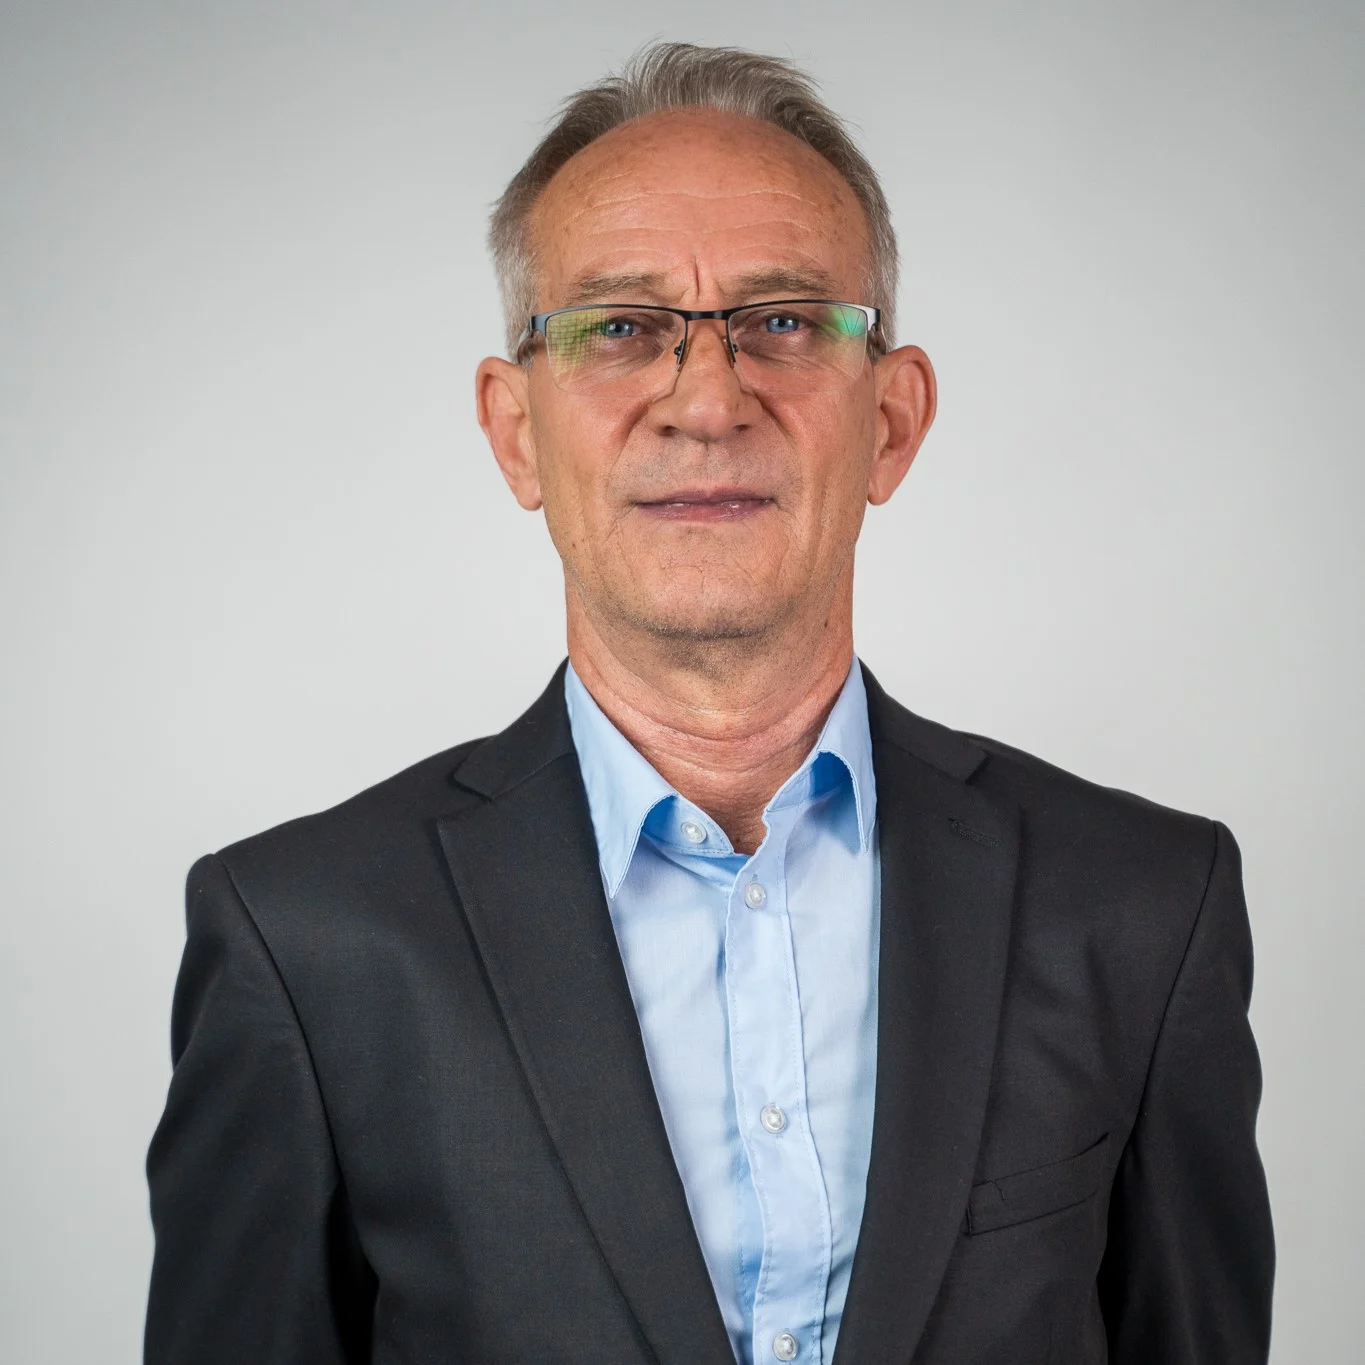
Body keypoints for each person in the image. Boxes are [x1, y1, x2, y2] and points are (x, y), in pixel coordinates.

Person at [144, 41, 1274, 1365]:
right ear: (516, 431)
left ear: (892, 420)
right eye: (620, 327)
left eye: (783, 321)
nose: (706, 399)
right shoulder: (305, 940)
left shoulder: (1143, 907)